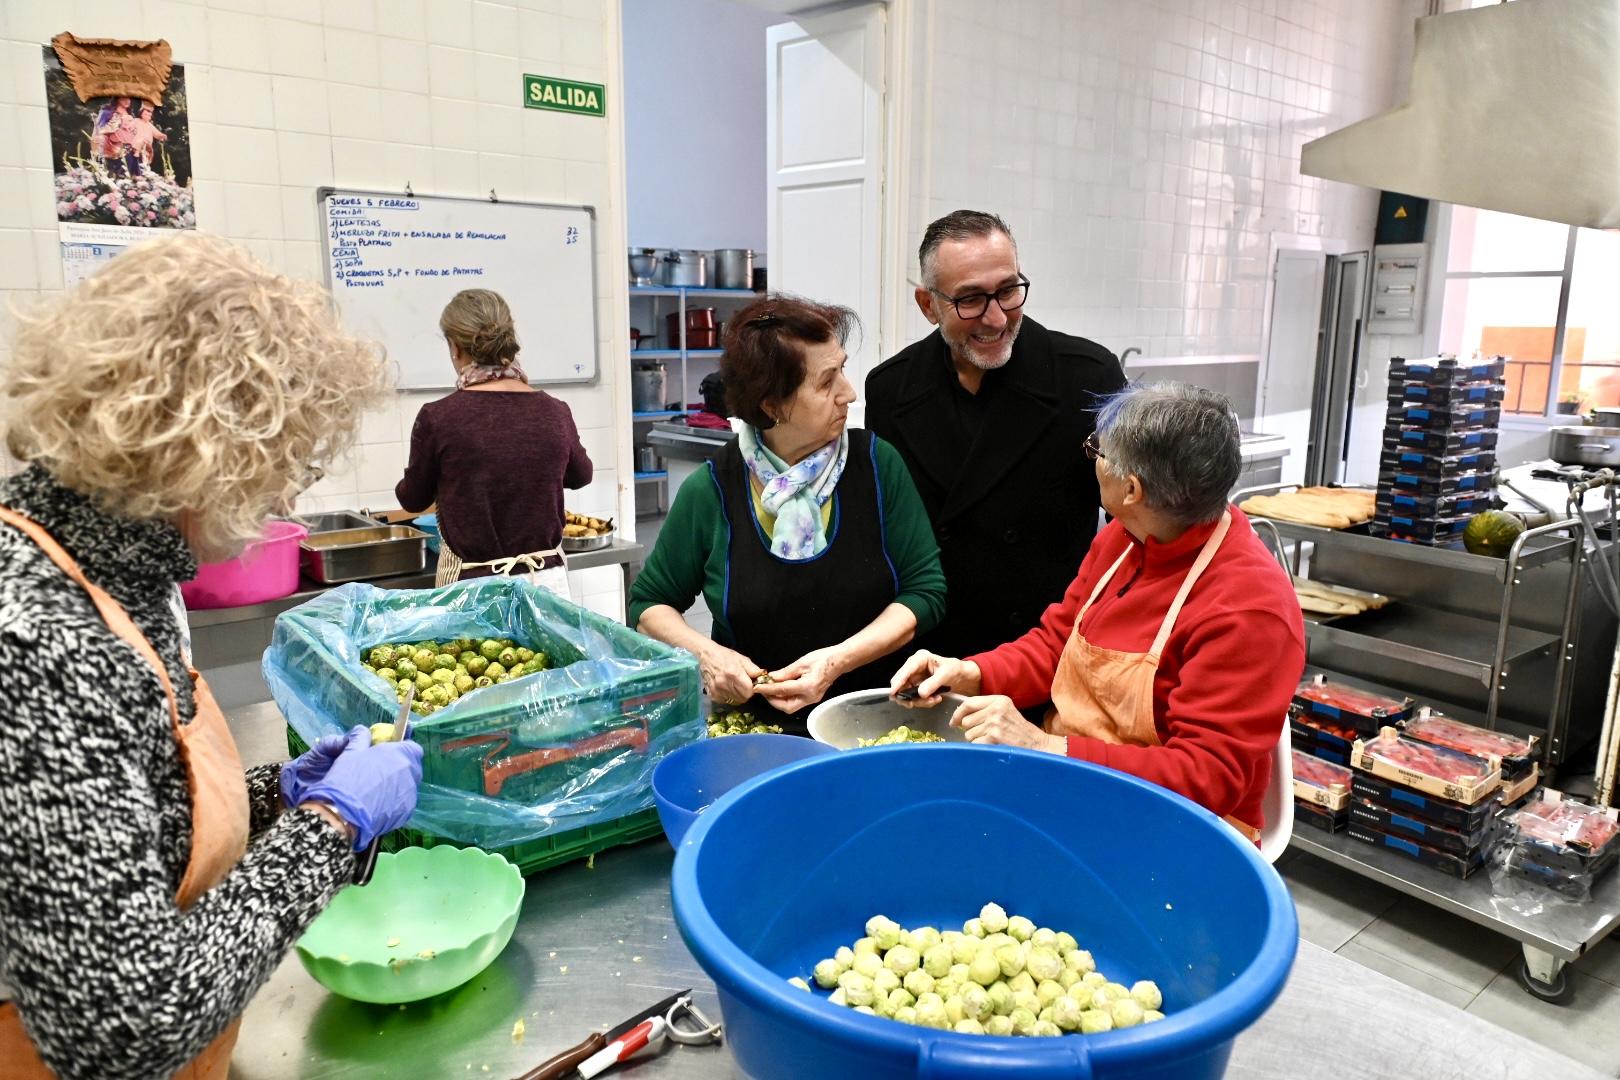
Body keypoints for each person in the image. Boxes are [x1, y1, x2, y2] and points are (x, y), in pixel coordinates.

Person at [0, 232, 423, 1078]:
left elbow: (127, 823)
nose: (287, 495)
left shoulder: (120, 571)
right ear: (199, 450)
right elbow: (125, 1024)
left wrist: (276, 797)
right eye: (277, 462)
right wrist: (328, 826)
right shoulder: (42, 642)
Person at [891, 382, 1304, 839]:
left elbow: (1206, 779)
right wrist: (970, 672)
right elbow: (1056, 645)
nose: (1091, 459)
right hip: (1072, 783)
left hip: (1175, 828)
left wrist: (1043, 745)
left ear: (1131, 489)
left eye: (1096, 450)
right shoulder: (1125, 539)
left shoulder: (1248, 611)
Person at [628, 295, 946, 733]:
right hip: (758, 732)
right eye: (826, 381)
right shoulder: (712, 490)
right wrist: (708, 656)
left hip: (878, 725)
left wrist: (835, 662)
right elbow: (649, 603)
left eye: (842, 370)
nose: (849, 393)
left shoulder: (877, 467)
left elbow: (925, 592)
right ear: (772, 406)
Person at [865, 209, 1127, 660]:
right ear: (928, 306)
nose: (995, 318)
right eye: (970, 300)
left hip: (1046, 649)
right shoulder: (890, 388)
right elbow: (889, 533)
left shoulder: (1086, 376)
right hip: (933, 652)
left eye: (1008, 291)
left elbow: (1131, 520)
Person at [396, 288, 593, 594]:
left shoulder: (438, 417)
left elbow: (412, 499)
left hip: (471, 586)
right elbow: (581, 475)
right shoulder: (555, 411)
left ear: (455, 348)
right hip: (545, 581)